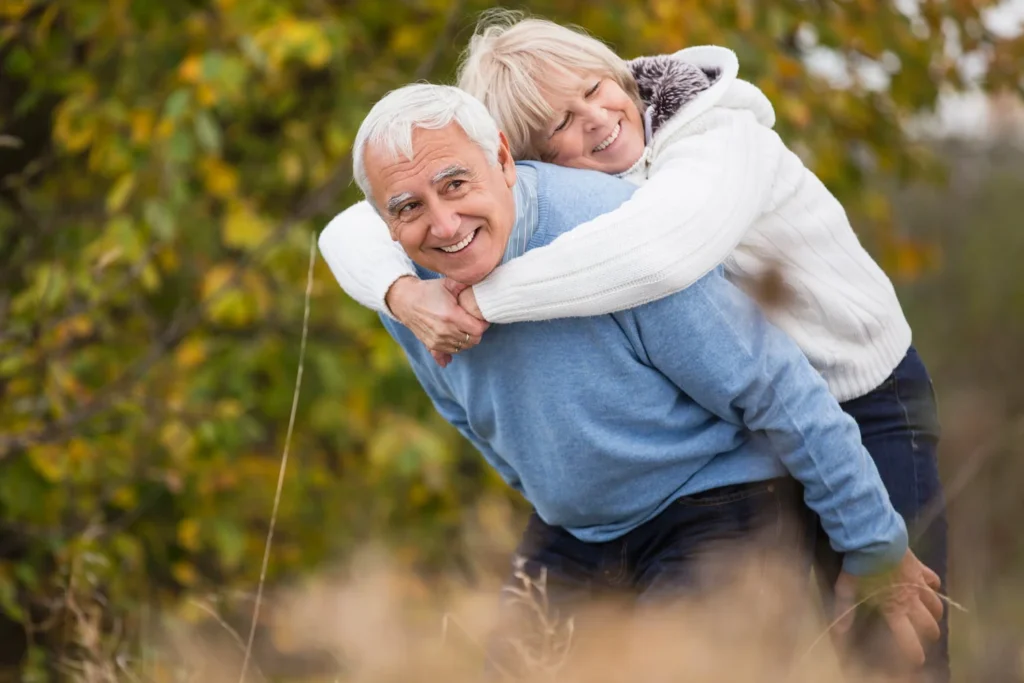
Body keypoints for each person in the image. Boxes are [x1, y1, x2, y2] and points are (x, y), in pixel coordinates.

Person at [319, 13, 949, 680]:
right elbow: (458, 395)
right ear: (529, 151)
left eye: (594, 90)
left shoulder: (672, 190)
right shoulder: (410, 270)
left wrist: (473, 301)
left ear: (505, 161)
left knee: (893, 643)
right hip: (617, 506)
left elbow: (751, 359)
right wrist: (404, 293)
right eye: (559, 124)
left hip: (861, 399)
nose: (593, 121)